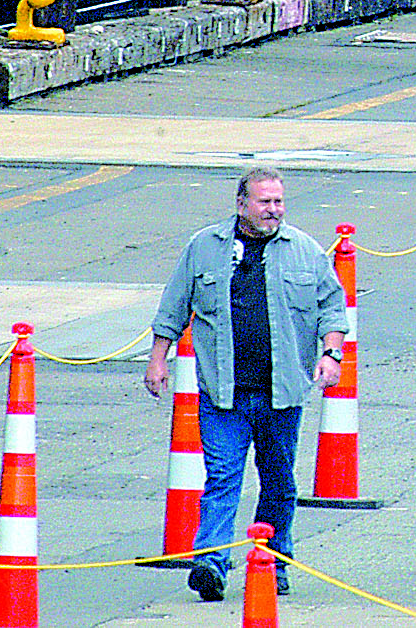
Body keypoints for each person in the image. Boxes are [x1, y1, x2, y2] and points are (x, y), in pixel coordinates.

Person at [145, 172, 345, 602]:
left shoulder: (305, 250)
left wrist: (331, 353)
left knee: (278, 482)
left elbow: (332, 305)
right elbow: (174, 306)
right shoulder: (204, 248)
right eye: (264, 202)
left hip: (283, 393)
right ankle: (211, 564)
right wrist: (158, 360)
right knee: (221, 477)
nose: (273, 209)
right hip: (224, 393)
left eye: (279, 201)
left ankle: (274, 562)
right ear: (241, 205)